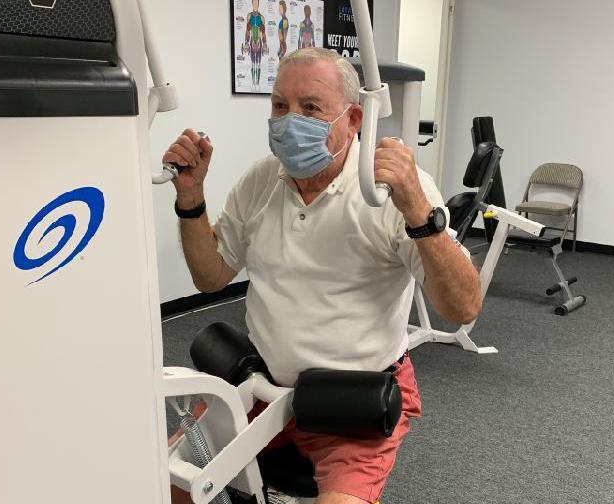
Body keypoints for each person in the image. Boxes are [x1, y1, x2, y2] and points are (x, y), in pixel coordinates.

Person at [165, 48, 481, 504]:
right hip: (260, 385)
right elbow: (211, 277)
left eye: (310, 108)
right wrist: (191, 198)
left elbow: (463, 308)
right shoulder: (260, 180)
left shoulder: (386, 191)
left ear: (354, 119)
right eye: (279, 106)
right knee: (170, 479)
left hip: (350, 400)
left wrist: (417, 210)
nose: (289, 121)